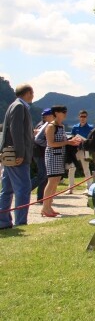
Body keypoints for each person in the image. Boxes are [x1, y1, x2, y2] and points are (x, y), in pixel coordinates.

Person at [0, 84, 35, 229]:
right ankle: (20, 221)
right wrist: (20, 153)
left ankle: (3, 220)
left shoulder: (13, 105)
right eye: (32, 93)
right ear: (28, 93)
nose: (33, 96)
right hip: (17, 156)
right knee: (23, 188)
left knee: (7, 190)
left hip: (9, 155)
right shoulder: (19, 107)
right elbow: (16, 131)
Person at [40, 105, 80, 217]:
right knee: (51, 181)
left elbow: (63, 141)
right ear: (56, 113)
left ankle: (49, 206)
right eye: (63, 111)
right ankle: (45, 208)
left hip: (60, 155)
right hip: (52, 155)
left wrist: (71, 141)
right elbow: (51, 143)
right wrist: (67, 142)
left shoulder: (61, 126)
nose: (65, 113)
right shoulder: (51, 126)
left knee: (56, 181)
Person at [31, 108, 54, 203]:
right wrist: (49, 144)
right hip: (39, 153)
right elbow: (37, 140)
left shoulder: (43, 124)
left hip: (41, 153)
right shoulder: (43, 126)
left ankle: (41, 197)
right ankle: (25, 190)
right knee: (42, 175)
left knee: (45, 176)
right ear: (47, 116)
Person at [68, 109, 93, 191]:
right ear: (79, 117)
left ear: (87, 117)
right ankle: (70, 188)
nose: (83, 118)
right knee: (72, 168)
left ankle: (89, 187)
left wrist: (85, 140)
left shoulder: (90, 127)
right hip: (75, 150)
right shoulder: (75, 127)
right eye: (81, 116)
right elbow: (72, 138)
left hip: (85, 150)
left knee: (86, 168)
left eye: (84, 116)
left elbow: (91, 140)